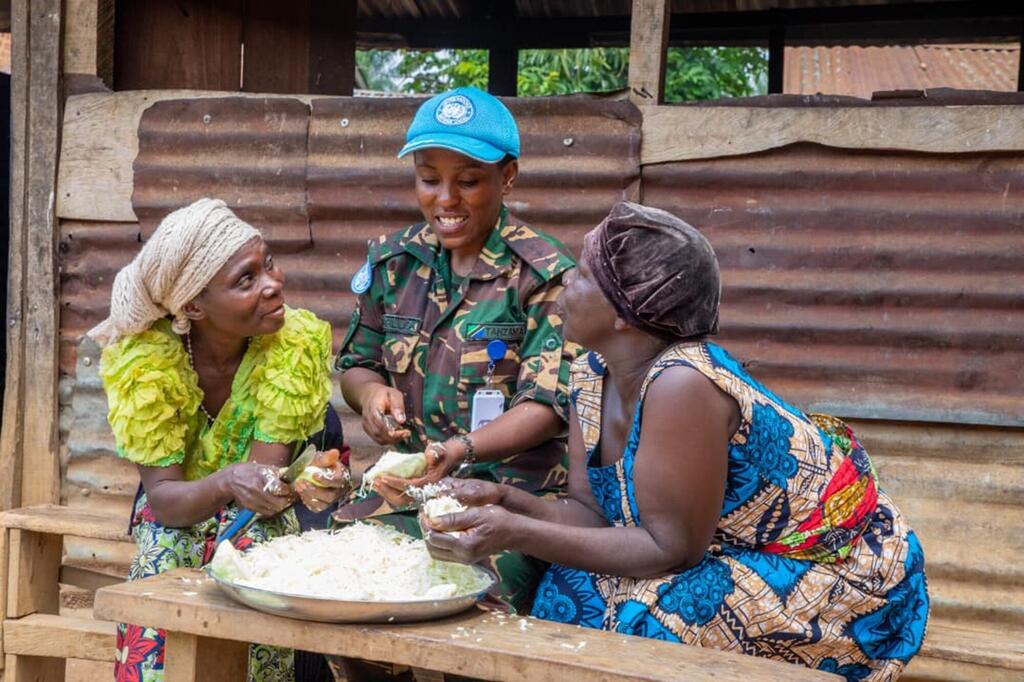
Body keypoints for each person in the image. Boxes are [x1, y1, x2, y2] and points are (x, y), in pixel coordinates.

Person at [422, 202, 930, 681]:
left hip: (838, 574)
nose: (565, 283)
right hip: (718, 552)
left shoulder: (683, 382)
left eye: (581, 275)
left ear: (623, 313)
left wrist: (513, 531)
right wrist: (505, 500)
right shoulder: (589, 373)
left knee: (654, 616)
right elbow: (589, 513)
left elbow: (671, 551)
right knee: (565, 590)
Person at [333, 86, 579, 614]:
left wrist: (461, 450)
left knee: (468, 605)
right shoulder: (393, 263)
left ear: (506, 176)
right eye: (429, 179)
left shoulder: (543, 275)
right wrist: (373, 395)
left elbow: (546, 406)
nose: (445, 199)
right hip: (408, 489)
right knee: (340, 580)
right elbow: (357, 364)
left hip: (509, 495)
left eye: (468, 181)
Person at [90, 198, 347, 682]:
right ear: (192, 306)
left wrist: (310, 480)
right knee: (163, 560)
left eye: (267, 262)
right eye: (246, 280)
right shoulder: (144, 365)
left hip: (256, 514)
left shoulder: (292, 347)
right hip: (178, 510)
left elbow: (264, 493)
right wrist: (228, 479)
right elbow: (165, 501)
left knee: (260, 568)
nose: (273, 284)